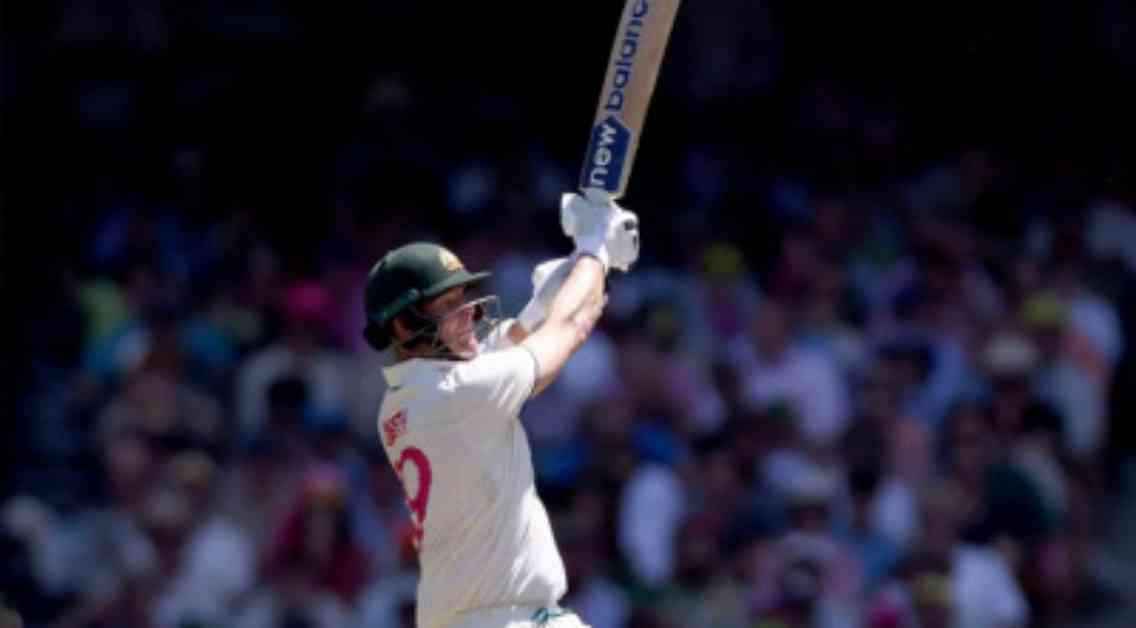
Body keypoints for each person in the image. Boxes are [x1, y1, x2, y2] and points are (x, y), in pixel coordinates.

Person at [361, 190, 640, 628]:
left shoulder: (404, 401)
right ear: (404, 324)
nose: (467, 314)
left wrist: (550, 294)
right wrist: (595, 251)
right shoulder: (458, 394)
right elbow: (570, 327)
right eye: (448, 306)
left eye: (463, 297)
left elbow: (510, 341)